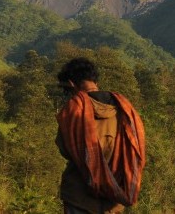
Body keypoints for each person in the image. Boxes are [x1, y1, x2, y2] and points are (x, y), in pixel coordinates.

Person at [55, 57, 146, 214]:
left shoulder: (73, 110)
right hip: (115, 197)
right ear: (94, 79)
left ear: (71, 84)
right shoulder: (124, 108)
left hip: (79, 195)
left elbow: (65, 149)